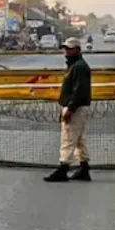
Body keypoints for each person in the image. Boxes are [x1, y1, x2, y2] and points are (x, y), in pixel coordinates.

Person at [44, 37, 92, 182]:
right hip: (78, 106)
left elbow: (79, 90)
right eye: (65, 48)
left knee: (68, 137)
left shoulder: (78, 67)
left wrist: (70, 109)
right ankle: (84, 168)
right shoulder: (76, 66)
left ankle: (63, 168)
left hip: (75, 107)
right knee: (79, 139)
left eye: (69, 49)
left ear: (77, 50)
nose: (66, 51)